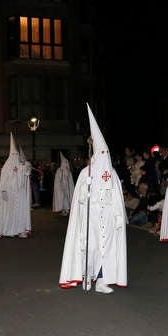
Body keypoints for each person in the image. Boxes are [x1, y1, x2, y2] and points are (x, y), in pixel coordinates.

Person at [59, 104, 127, 294]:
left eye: (107, 154)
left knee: (107, 248)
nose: (104, 157)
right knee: (91, 246)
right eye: (101, 153)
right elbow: (79, 199)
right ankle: (87, 276)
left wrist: (120, 217)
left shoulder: (111, 173)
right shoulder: (85, 173)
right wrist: (85, 191)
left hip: (109, 215)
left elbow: (117, 197)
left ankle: (102, 280)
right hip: (91, 215)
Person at [0, 134, 32, 238]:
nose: (15, 157)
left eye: (16, 155)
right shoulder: (6, 166)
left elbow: (27, 172)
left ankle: (20, 230)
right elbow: (3, 181)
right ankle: (8, 230)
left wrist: (27, 166)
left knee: (20, 212)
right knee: (9, 213)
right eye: (13, 155)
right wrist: (4, 193)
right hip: (9, 195)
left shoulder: (22, 165)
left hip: (20, 194)